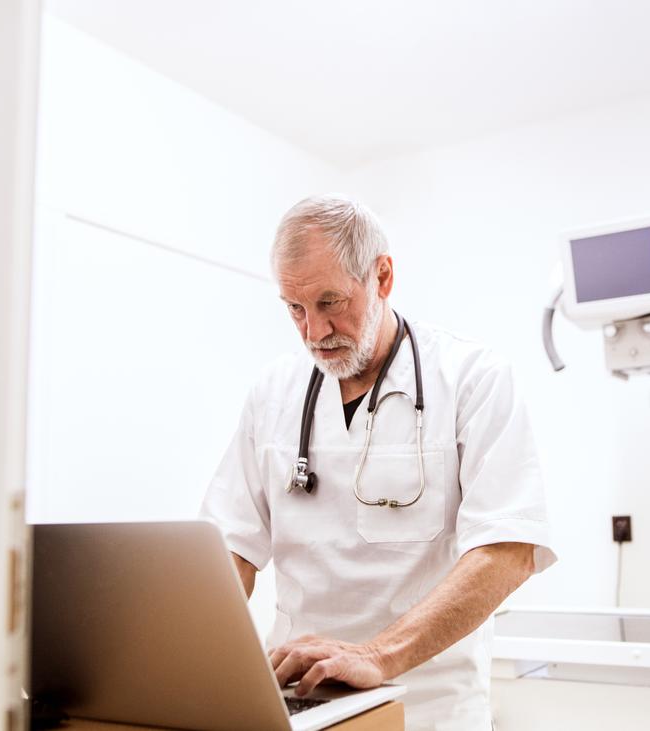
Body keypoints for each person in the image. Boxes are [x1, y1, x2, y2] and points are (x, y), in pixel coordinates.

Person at [200, 194, 556, 731]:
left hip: (428, 706)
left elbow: (508, 551)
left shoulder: (472, 378)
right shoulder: (273, 393)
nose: (314, 332)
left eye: (330, 302)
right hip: (302, 702)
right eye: (295, 308)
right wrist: (194, 666)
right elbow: (226, 550)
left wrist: (377, 656)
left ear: (382, 276)